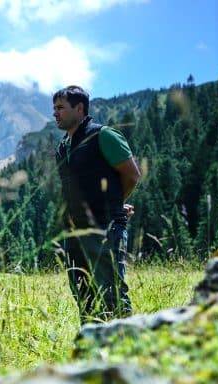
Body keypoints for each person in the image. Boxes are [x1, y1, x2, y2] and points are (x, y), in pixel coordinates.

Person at [53, 85, 141, 323]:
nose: (55, 113)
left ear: (79, 108)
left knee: (111, 294)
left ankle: (123, 343)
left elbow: (132, 175)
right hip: (73, 231)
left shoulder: (104, 135)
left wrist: (115, 204)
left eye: (60, 107)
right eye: (54, 108)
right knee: (83, 296)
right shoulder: (63, 146)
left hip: (104, 227)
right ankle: (91, 342)